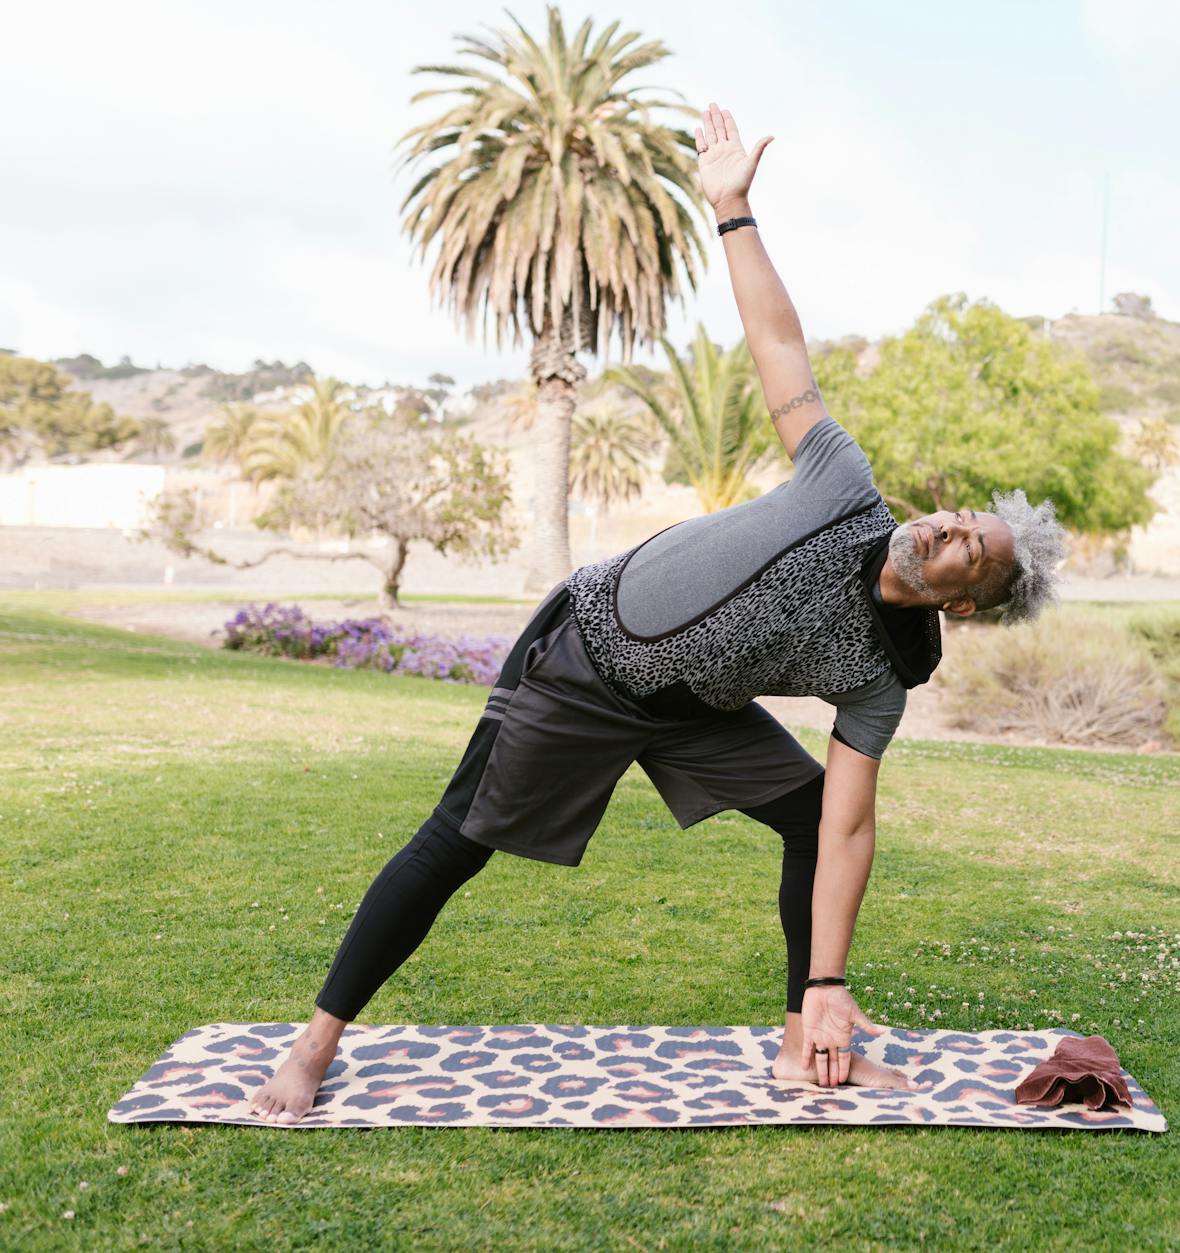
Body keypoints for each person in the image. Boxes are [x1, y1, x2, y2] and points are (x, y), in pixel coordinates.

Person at [245, 103, 1068, 1123]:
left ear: (967, 604)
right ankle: (315, 1042)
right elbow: (778, 341)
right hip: (586, 657)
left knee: (810, 815)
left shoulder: (881, 670)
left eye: (968, 550)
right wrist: (732, 211)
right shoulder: (843, 482)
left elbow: (850, 822)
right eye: (960, 515)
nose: (945, 527)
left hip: (691, 707)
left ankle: (797, 1041)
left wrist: (827, 982)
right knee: (456, 836)